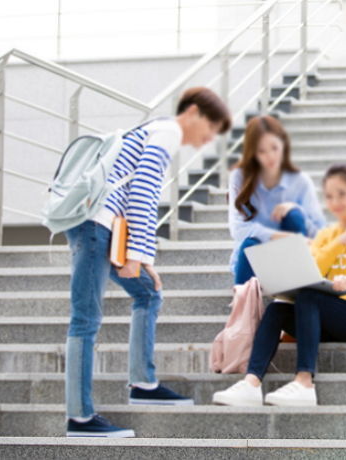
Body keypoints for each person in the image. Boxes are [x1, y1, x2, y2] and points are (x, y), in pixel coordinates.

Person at [64, 87, 231, 437]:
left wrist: (141, 260)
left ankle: (143, 383)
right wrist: (138, 257)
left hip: (104, 230)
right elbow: (142, 192)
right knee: (85, 319)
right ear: (196, 113)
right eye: (210, 131)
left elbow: (126, 193)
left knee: (148, 294)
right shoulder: (167, 132)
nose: (205, 141)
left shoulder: (151, 131)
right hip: (95, 228)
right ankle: (79, 418)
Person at [213, 163, 346, 406]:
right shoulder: (328, 235)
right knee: (277, 308)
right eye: (329, 196)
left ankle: (305, 382)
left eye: (342, 194)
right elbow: (312, 271)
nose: (335, 201)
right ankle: (251, 383)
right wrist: (339, 243)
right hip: (326, 317)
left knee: (309, 297)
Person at [228, 115, 325, 285]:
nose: (270, 156)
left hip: (290, 263)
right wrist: (281, 237)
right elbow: (238, 229)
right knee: (251, 242)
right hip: (251, 263)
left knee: (294, 215)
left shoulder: (299, 181)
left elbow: (320, 233)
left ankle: (296, 284)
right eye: (261, 151)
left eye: (274, 148)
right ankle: (244, 304)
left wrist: (296, 208)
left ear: (283, 144)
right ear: (252, 153)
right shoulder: (239, 177)